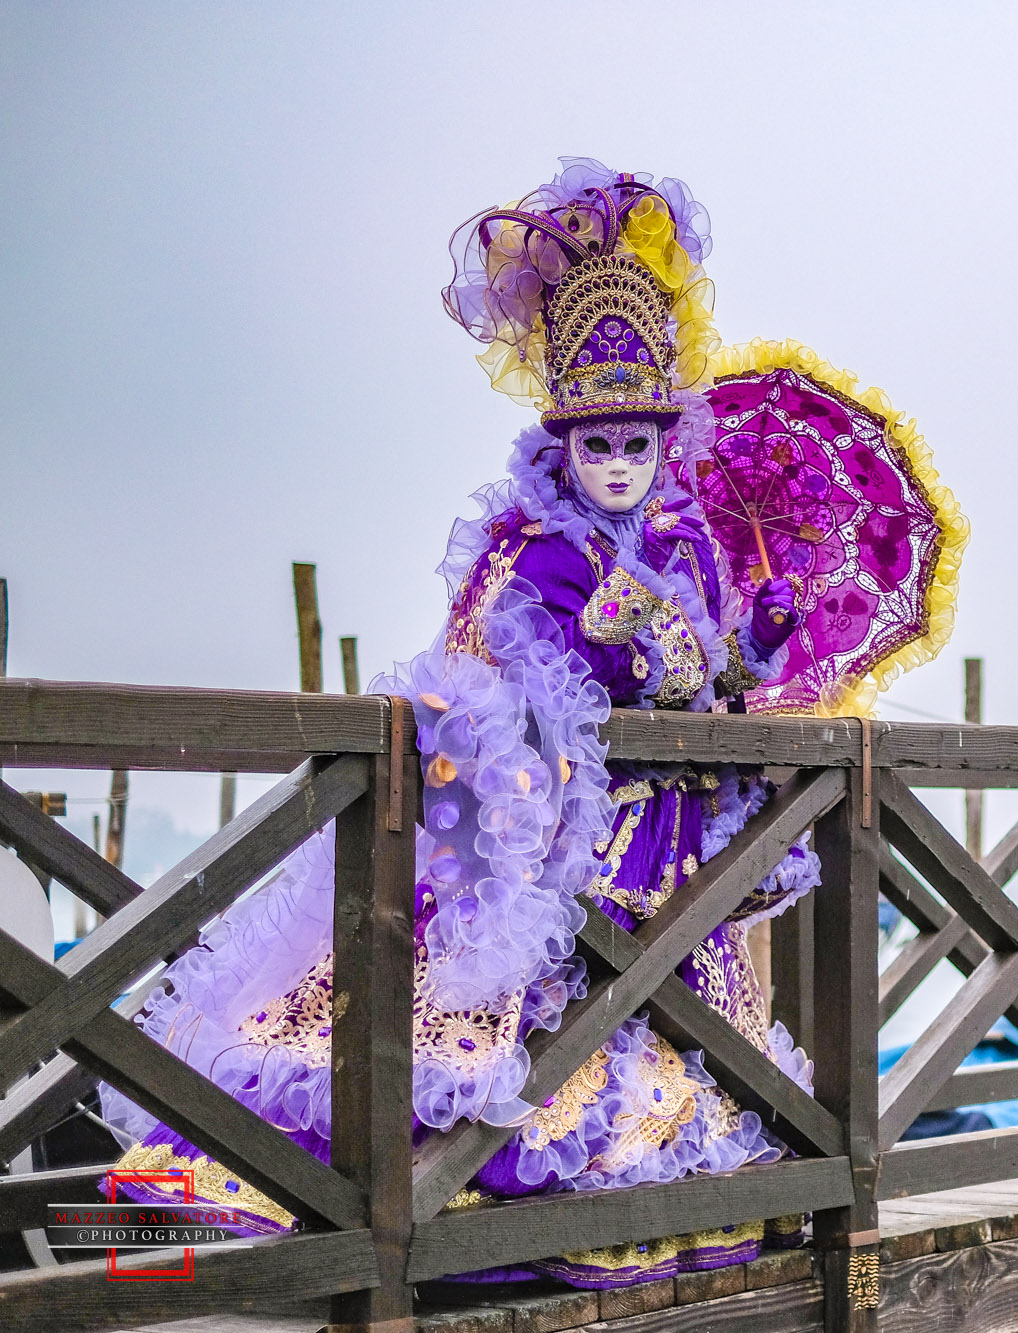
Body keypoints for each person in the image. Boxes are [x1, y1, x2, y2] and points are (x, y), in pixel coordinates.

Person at [103, 159, 819, 1289]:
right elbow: (484, 673)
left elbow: (720, 671)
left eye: (638, 443)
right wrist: (593, 646)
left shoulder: (690, 545)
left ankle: (666, 1182)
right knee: (532, 1023)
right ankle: (435, 1197)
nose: (621, 466)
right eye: (599, 444)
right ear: (562, 441)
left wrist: (759, 636)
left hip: (675, 854)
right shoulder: (525, 545)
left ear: (661, 437)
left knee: (669, 1014)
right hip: (561, 837)